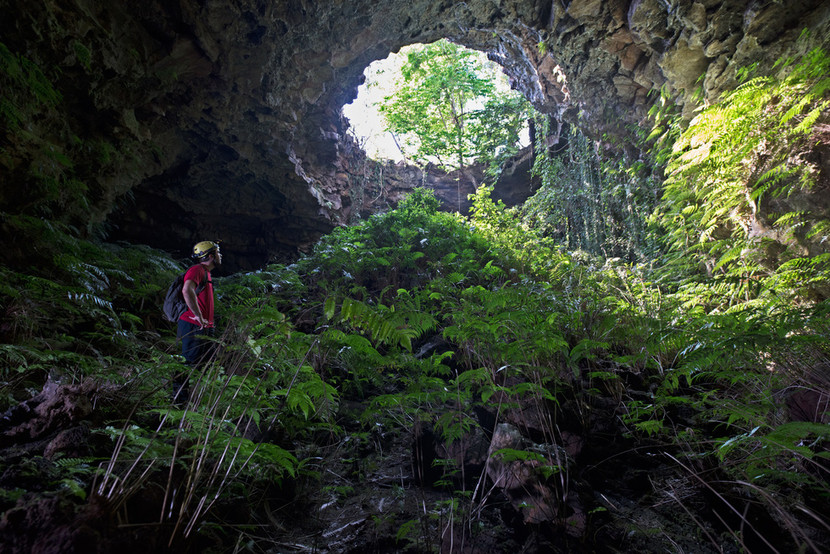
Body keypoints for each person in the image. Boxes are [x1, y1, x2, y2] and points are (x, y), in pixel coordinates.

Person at [174, 240, 222, 404]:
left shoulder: (206, 273)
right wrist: (198, 316)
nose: (220, 255)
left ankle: (197, 400)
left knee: (208, 361)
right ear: (210, 256)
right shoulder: (197, 270)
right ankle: (179, 403)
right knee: (187, 362)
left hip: (203, 326)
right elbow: (187, 290)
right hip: (192, 324)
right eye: (218, 252)